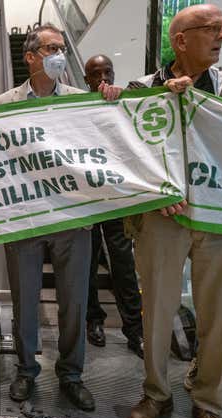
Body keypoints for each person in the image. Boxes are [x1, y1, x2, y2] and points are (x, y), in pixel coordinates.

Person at [0, 23, 121, 412]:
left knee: (73, 304)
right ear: (30, 57)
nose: (58, 55)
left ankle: (71, 375)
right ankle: (25, 369)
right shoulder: (3, 104)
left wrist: (115, 102)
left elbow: (106, 142)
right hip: (24, 220)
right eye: (50, 48)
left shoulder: (80, 101)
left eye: (61, 48)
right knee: (25, 302)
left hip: (72, 219)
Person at [125, 5, 222, 418]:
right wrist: (154, 192)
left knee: (219, 313)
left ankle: (208, 402)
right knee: (157, 310)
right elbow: (126, 154)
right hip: (161, 218)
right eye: (211, 29)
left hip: (219, 218)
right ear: (180, 40)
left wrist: (199, 101)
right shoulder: (143, 88)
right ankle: (156, 394)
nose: (221, 37)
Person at [82, 55, 143, 358]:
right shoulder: (76, 109)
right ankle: (94, 320)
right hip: (87, 200)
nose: (103, 77)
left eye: (108, 72)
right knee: (89, 264)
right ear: (86, 79)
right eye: (96, 74)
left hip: (117, 197)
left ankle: (135, 329)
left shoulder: (123, 105)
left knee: (123, 264)